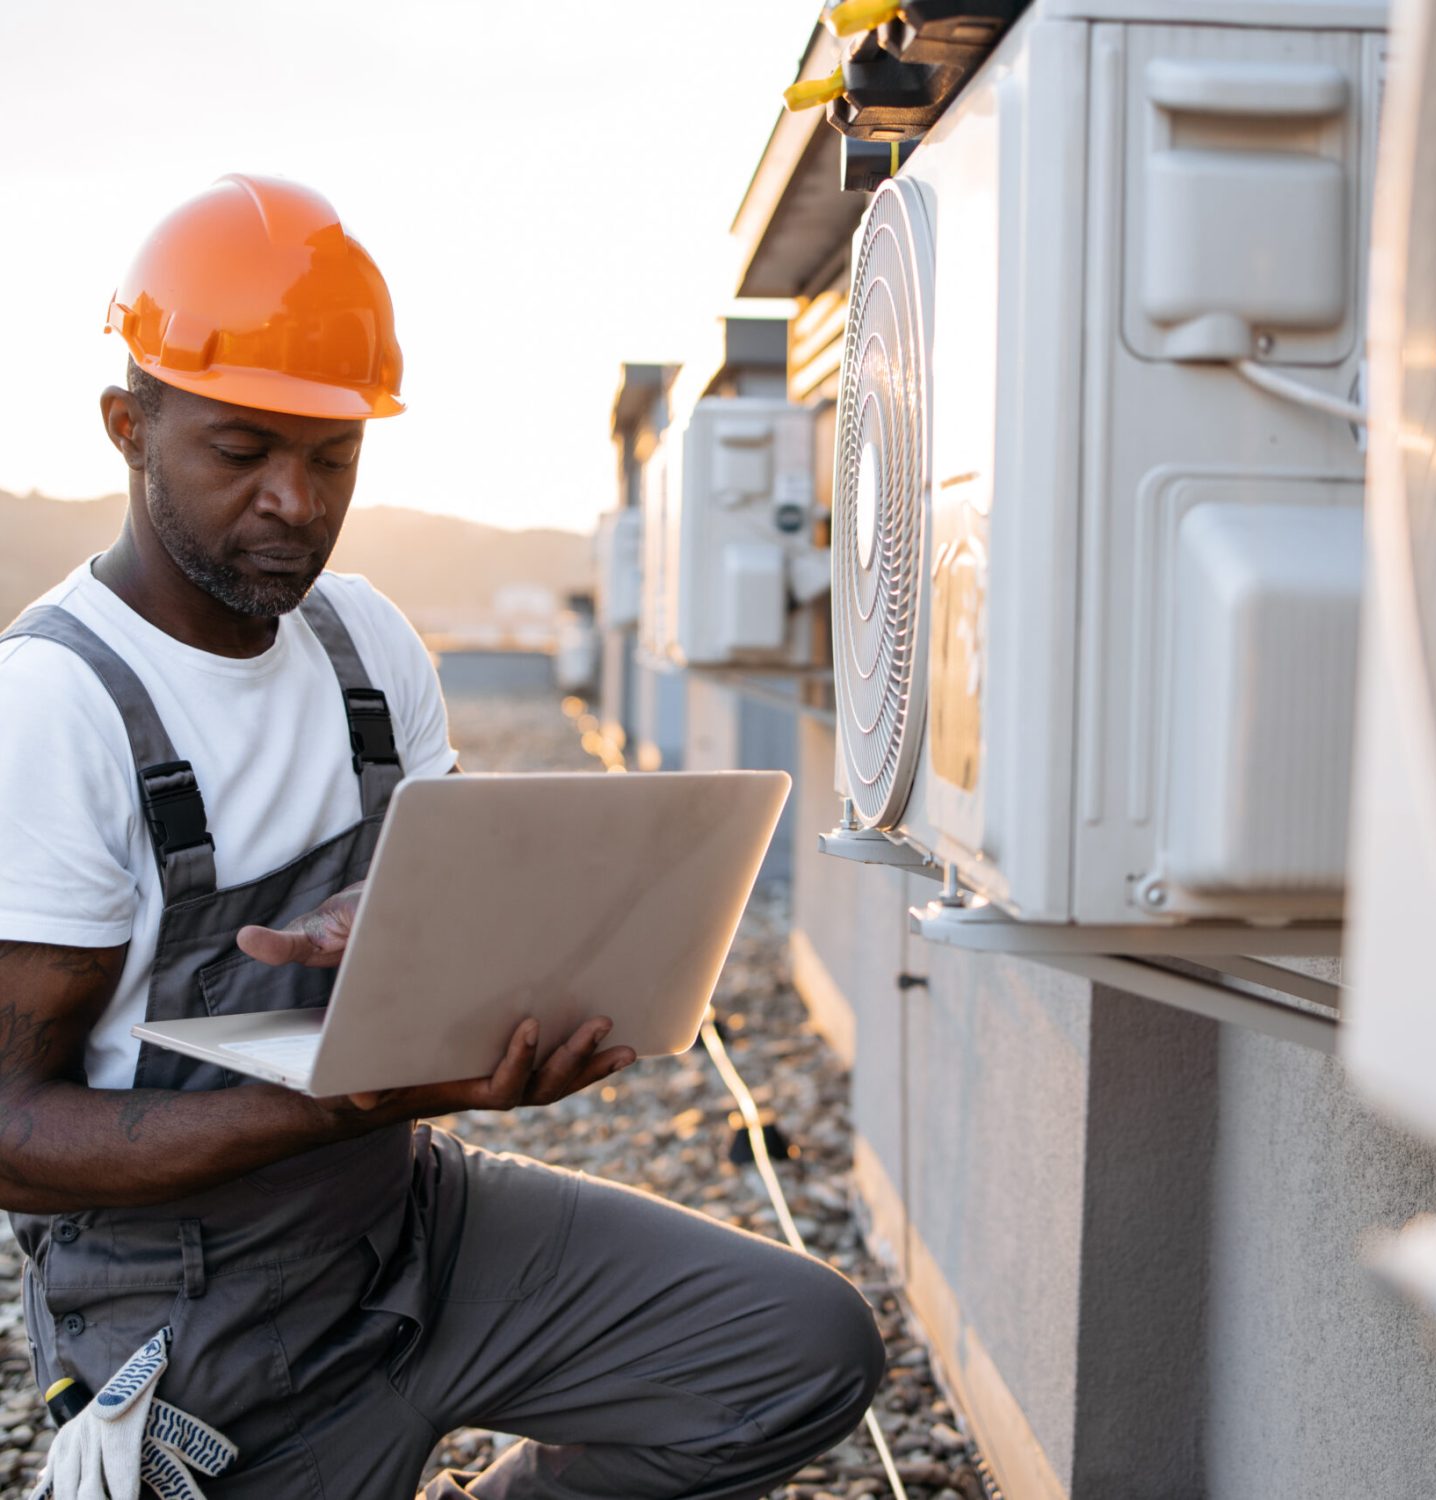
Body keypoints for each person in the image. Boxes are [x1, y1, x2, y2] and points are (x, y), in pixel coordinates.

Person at [0, 174, 884, 1498]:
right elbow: (10, 1131)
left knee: (796, 1351)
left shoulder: (366, 650)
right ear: (130, 426)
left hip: (407, 1221)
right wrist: (318, 1104)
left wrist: (452, 970)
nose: (295, 500)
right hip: (198, 1322)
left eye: (333, 454)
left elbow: (451, 916)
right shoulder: (55, 709)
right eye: (241, 450)